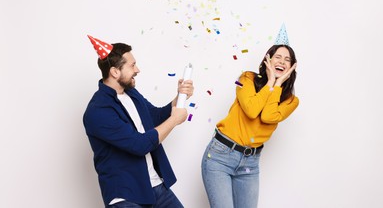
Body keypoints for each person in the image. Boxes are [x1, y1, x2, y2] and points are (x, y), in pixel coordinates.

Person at [83, 35, 194, 208]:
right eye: (132, 65)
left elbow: (154, 117)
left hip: (154, 186)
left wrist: (179, 97)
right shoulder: (98, 111)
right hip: (126, 195)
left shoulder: (130, 93)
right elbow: (139, 145)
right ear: (114, 71)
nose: (138, 70)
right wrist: (174, 120)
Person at [201, 42, 299, 208]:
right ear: (267, 60)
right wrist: (269, 83)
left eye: (287, 59)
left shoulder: (291, 100)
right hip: (220, 156)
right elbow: (252, 110)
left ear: (292, 67)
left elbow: (268, 116)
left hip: (250, 164)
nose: (282, 62)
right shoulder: (246, 78)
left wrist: (277, 85)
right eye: (278, 57)